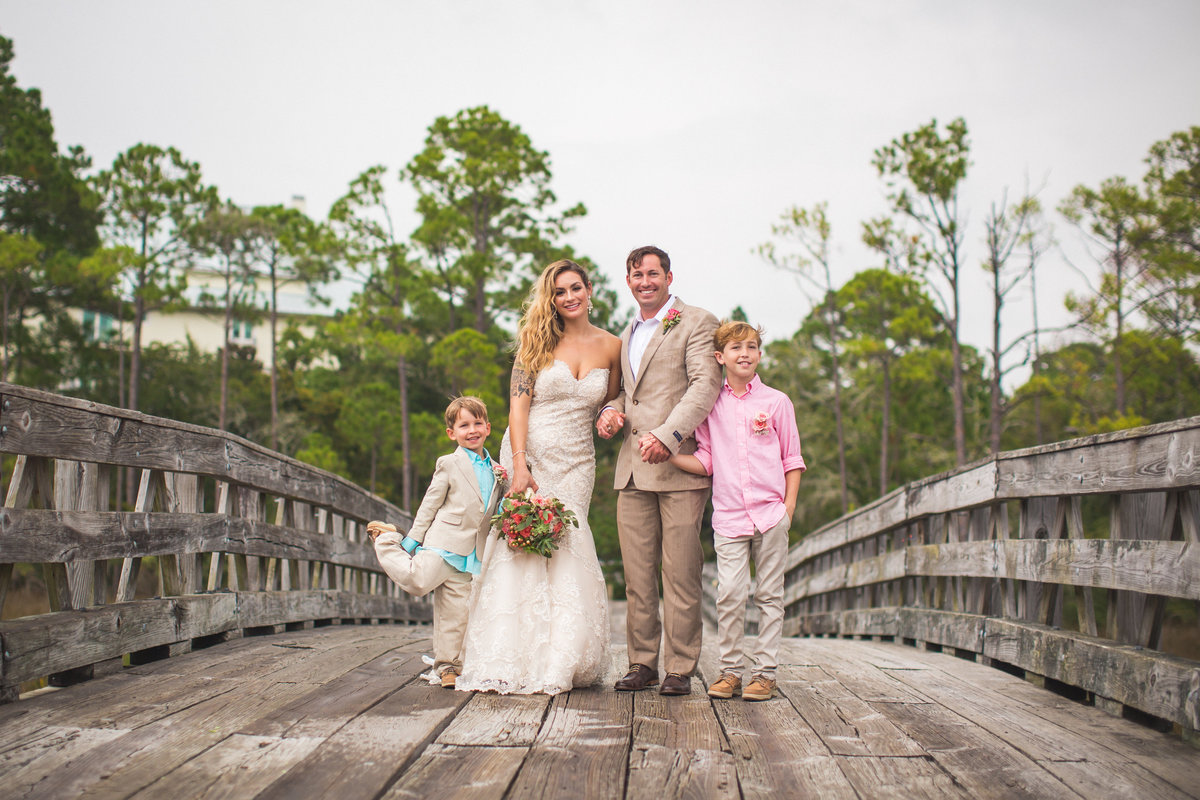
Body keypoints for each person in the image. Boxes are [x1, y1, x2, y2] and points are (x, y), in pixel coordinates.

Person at [455, 259, 621, 695]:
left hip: (578, 460)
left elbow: (618, 395)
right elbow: (518, 407)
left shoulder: (613, 346)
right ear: (551, 299)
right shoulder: (536, 342)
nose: (569, 298)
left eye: (575, 288)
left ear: (590, 289)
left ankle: (562, 657)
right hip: (530, 454)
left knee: (569, 543)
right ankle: (512, 653)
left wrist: (610, 411)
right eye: (559, 292)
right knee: (522, 546)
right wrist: (520, 461)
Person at [596, 245, 722, 696]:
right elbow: (630, 396)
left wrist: (668, 438)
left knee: (681, 573)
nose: (645, 281)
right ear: (628, 281)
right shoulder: (628, 331)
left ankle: (680, 667)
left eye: (653, 273)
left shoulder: (698, 321)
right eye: (636, 275)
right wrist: (610, 413)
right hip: (631, 470)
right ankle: (642, 662)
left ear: (670, 277)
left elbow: (706, 385)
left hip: (678, 468)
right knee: (636, 576)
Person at [669, 320, 805, 701]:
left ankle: (765, 673)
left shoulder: (776, 402)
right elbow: (707, 460)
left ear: (759, 354)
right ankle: (730, 671)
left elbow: (792, 459)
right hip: (728, 516)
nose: (744, 353)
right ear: (720, 356)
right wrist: (671, 457)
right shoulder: (711, 406)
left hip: (770, 514)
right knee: (729, 592)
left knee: (769, 594)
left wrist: (787, 508)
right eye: (735, 348)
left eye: (751, 346)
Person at [367, 396, 504, 689]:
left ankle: (448, 666)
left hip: (471, 554)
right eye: (463, 425)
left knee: (456, 613)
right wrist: (411, 540)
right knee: (417, 580)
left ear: (488, 427)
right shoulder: (449, 463)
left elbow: (492, 509)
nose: (472, 430)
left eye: (477, 423)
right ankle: (387, 538)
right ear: (451, 433)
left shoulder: (497, 469)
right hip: (442, 542)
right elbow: (430, 504)